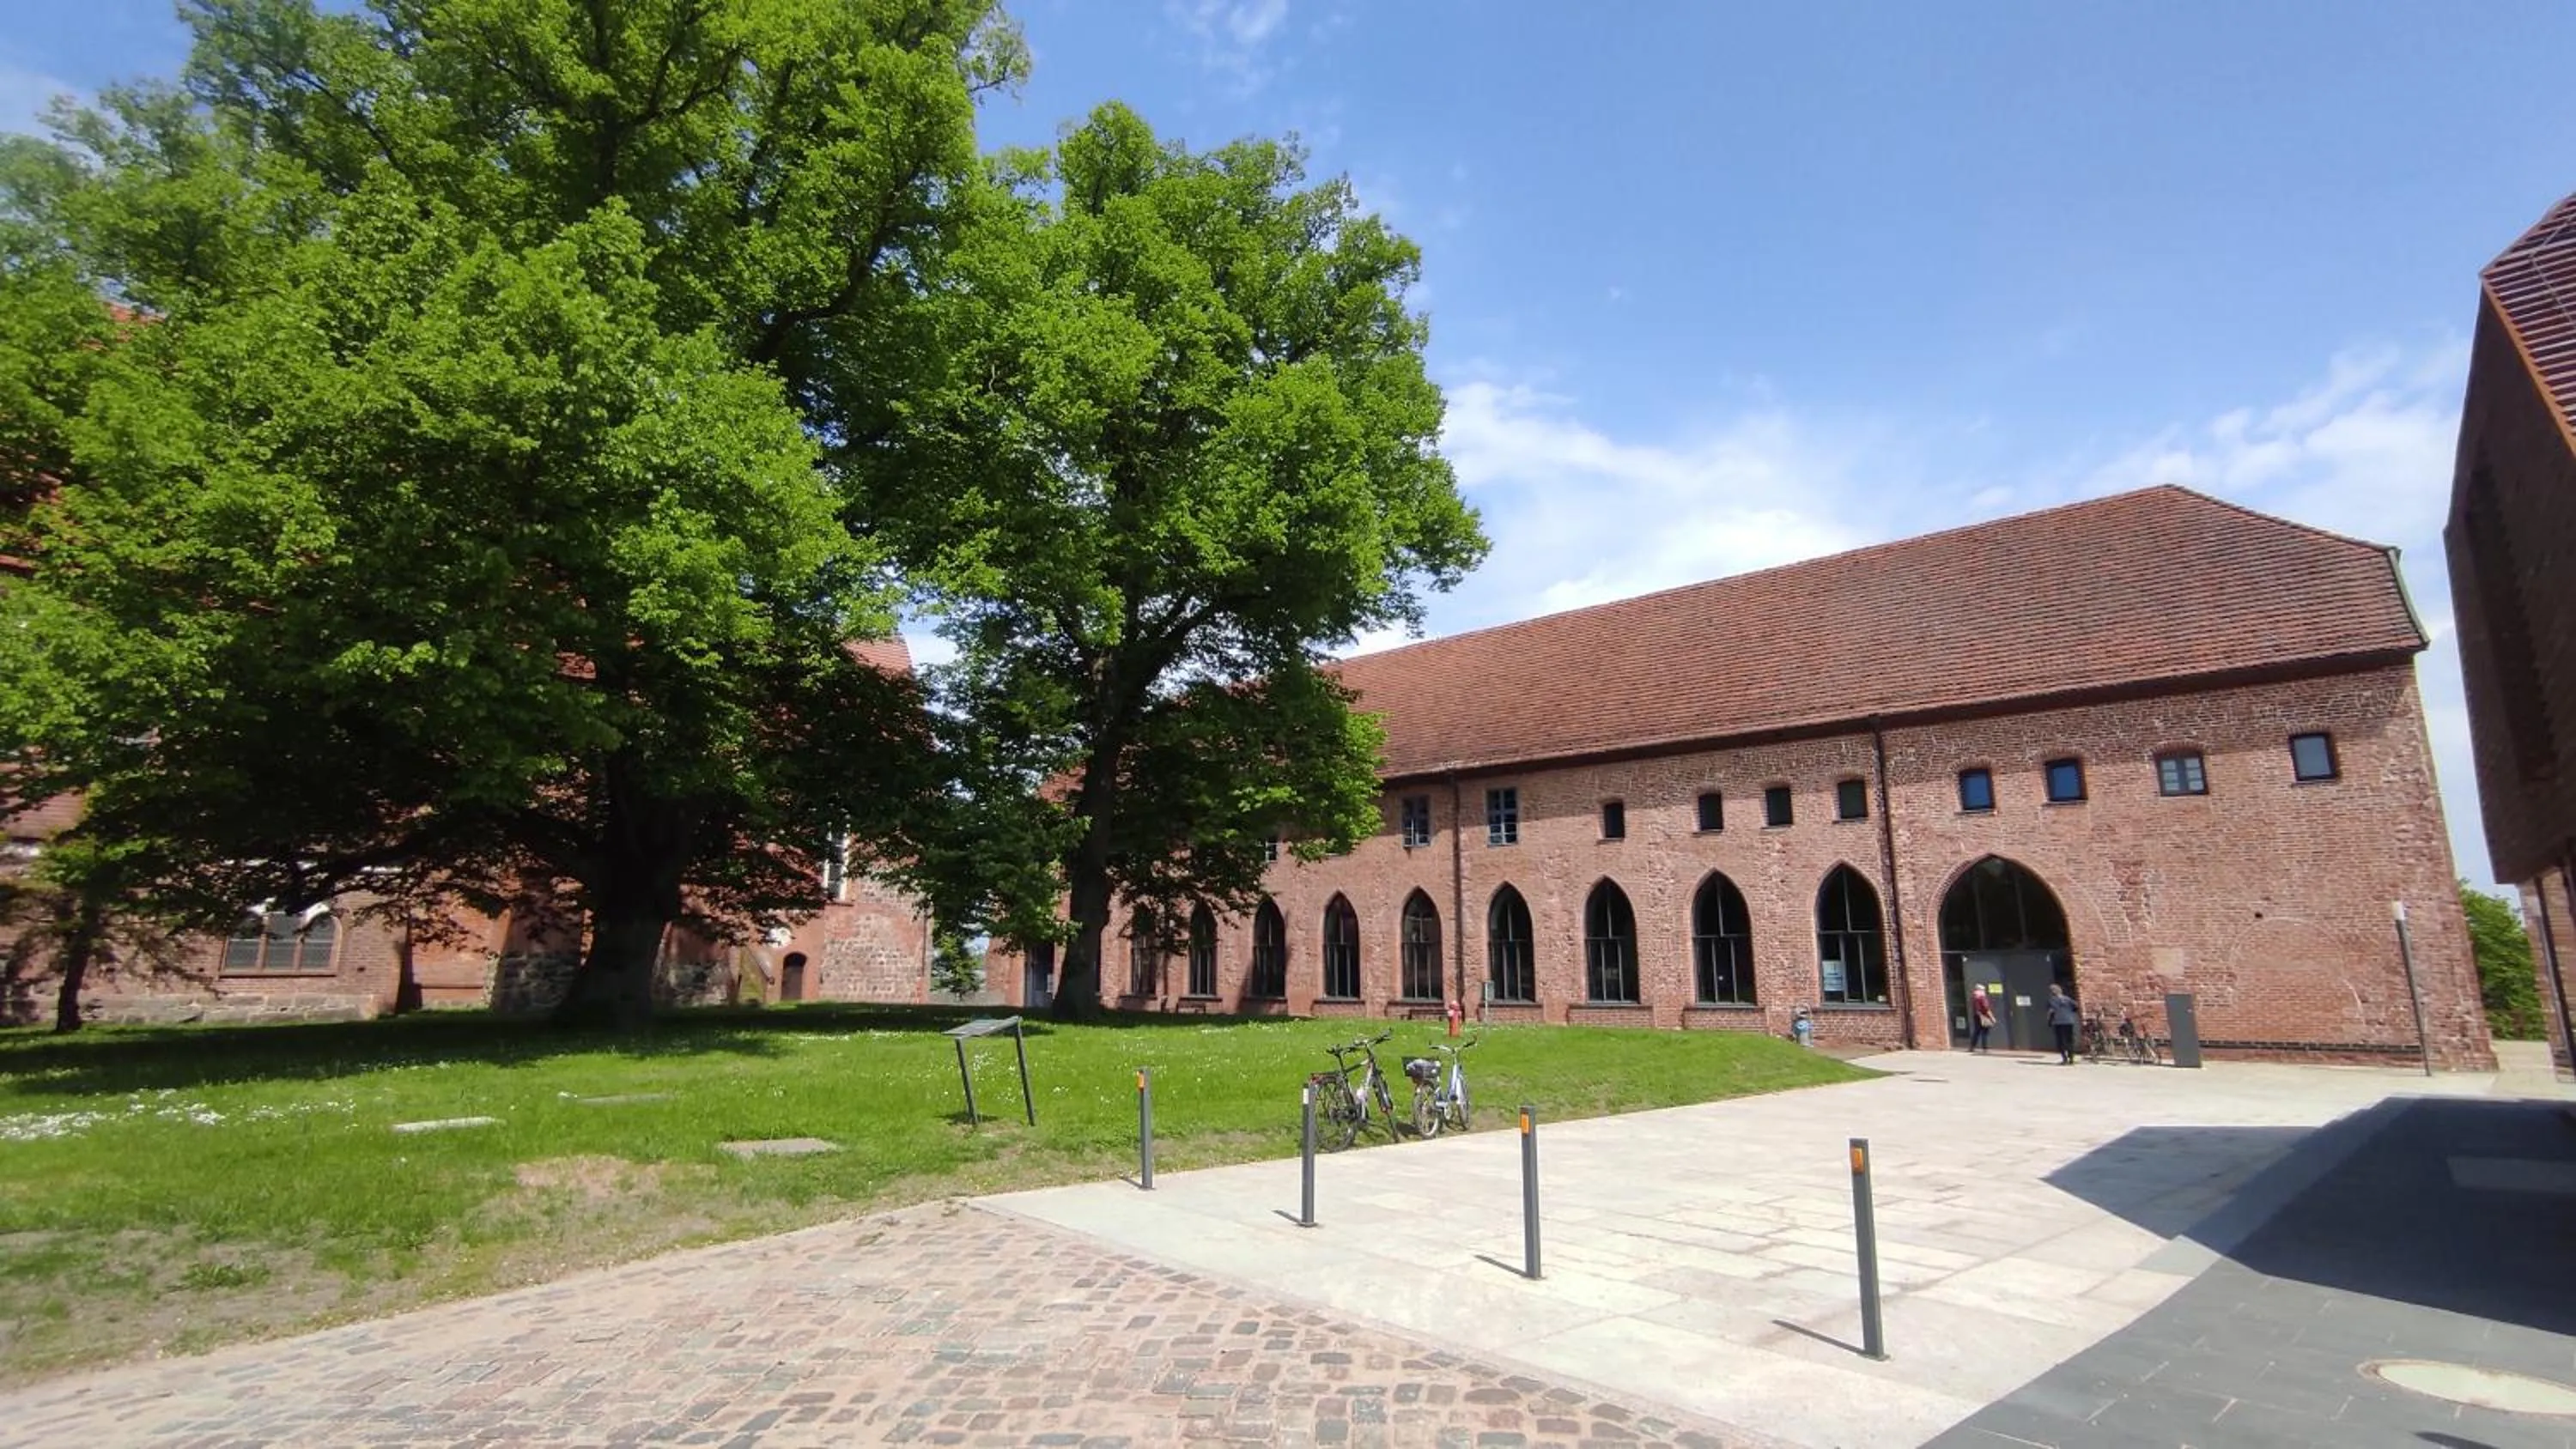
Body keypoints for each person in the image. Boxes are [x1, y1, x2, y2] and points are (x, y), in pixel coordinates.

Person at [2047, 982, 2080, 1064]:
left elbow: (2051, 1011)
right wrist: (2070, 1013)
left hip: (2058, 1022)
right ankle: (2071, 1058)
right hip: (2069, 1021)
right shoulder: (2068, 999)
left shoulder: (2052, 1000)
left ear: (2052, 992)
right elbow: (2076, 1006)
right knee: (2070, 1040)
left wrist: (2049, 1021)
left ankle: (2064, 1059)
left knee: (2061, 1041)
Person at [1969, 986, 1996, 1053]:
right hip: (1984, 1016)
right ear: (1981, 990)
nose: (1984, 991)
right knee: (1985, 1033)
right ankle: (1985, 1048)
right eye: (1983, 990)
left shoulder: (1974, 998)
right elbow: (1986, 1009)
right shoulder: (1982, 998)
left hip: (1977, 1016)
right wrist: (1992, 1017)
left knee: (1976, 1032)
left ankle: (1972, 1047)